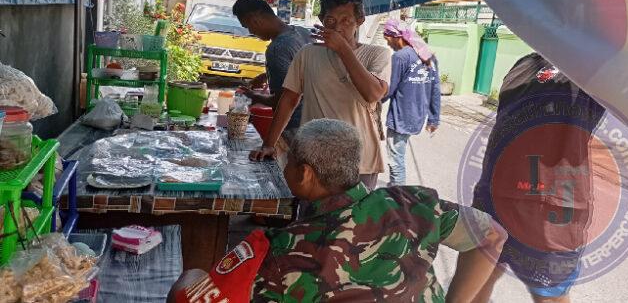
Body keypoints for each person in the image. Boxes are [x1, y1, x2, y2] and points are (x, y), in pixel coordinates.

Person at [169, 118, 508, 303]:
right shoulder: (414, 205)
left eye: (288, 162)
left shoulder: (283, 252)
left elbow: (192, 298)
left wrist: (191, 276)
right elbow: (493, 234)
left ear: (305, 174)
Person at [471, 53, 606, 303]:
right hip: (493, 196)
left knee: (550, 295)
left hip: (552, 209)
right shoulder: (524, 64)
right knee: (477, 281)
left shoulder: (597, 67)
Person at [249, 0, 391, 189]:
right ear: (322, 19)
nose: (338, 28)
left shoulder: (377, 55)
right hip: (315, 158)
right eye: (331, 21)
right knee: (312, 217)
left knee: (354, 219)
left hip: (360, 161)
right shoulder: (308, 54)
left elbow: (373, 93)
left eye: (346, 20)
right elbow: (289, 100)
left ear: (359, 20)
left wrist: (343, 49)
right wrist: (269, 144)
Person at [232, 0, 312, 145]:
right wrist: (265, 75)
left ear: (255, 20)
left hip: (295, 126)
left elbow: (282, 100)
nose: (251, 31)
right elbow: (301, 70)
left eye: (248, 26)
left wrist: (254, 97)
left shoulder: (277, 49)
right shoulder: (302, 32)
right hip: (314, 123)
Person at [383, 19, 441, 186]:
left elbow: (389, 89)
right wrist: (433, 118)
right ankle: (397, 191)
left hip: (401, 118)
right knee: (398, 156)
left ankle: (398, 194)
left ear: (396, 37)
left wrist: (371, 101)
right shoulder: (428, 56)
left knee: (396, 160)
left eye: (388, 40)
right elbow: (435, 89)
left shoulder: (400, 57)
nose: (389, 45)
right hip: (417, 117)